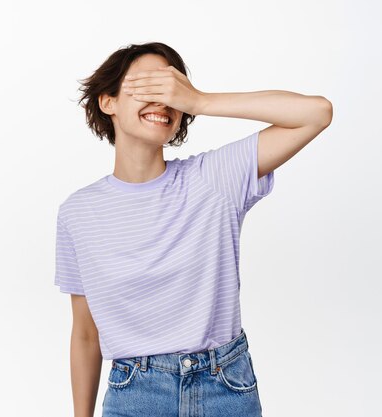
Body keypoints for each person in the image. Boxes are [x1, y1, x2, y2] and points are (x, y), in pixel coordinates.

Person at [54, 41, 333, 417]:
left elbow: (316, 113)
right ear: (109, 102)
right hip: (135, 394)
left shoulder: (214, 179)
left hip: (226, 387)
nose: (163, 99)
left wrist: (200, 100)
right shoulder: (78, 213)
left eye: (171, 88)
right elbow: (86, 335)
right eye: (146, 86)